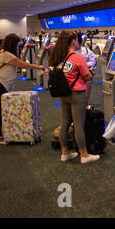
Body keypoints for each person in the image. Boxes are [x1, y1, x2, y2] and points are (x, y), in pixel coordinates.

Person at [48, 31, 100, 164]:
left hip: (63, 93)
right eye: (77, 40)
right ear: (72, 42)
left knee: (64, 122)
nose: (78, 42)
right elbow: (87, 77)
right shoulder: (78, 58)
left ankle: (65, 153)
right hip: (77, 95)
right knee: (78, 125)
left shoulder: (59, 57)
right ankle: (84, 155)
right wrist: (90, 73)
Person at [0, 34, 46, 144]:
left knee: (2, 109)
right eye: (17, 44)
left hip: (3, 84)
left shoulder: (4, 52)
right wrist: (39, 67)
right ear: (12, 44)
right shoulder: (6, 54)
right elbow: (22, 65)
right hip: (0, 84)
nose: (18, 46)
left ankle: (3, 132)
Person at [74, 33, 97, 107]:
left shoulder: (85, 50)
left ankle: (87, 99)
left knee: (88, 83)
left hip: (84, 74)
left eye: (76, 41)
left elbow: (93, 60)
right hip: (74, 77)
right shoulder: (69, 52)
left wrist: (86, 65)